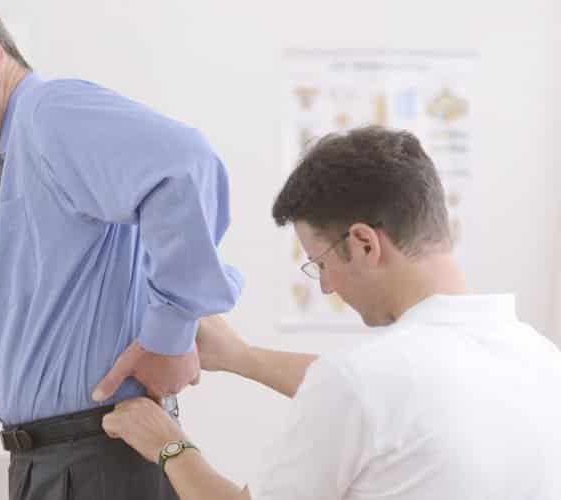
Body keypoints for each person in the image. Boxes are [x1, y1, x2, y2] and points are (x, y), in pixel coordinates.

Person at [0, 3, 242, 499]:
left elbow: (184, 165)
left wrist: (170, 335)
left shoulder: (48, 112)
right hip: (58, 462)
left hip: (96, 460)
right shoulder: (23, 149)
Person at [102, 126, 561, 500]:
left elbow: (361, 392)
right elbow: (388, 401)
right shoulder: (541, 360)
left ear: (363, 243)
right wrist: (242, 357)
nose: (326, 285)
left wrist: (169, 446)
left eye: (320, 264)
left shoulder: (361, 382)